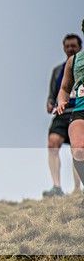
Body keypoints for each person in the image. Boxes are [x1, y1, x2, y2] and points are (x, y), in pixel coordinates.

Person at [44, 33, 82, 197]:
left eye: (73, 45)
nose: (70, 48)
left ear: (79, 46)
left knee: (78, 148)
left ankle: (76, 188)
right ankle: (57, 187)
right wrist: (52, 102)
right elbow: (57, 91)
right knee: (53, 142)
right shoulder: (59, 70)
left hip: (78, 110)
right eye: (67, 46)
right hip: (63, 112)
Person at [55, 19, 84, 207]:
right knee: (79, 151)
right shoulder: (74, 61)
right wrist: (61, 101)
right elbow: (65, 87)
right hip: (80, 110)